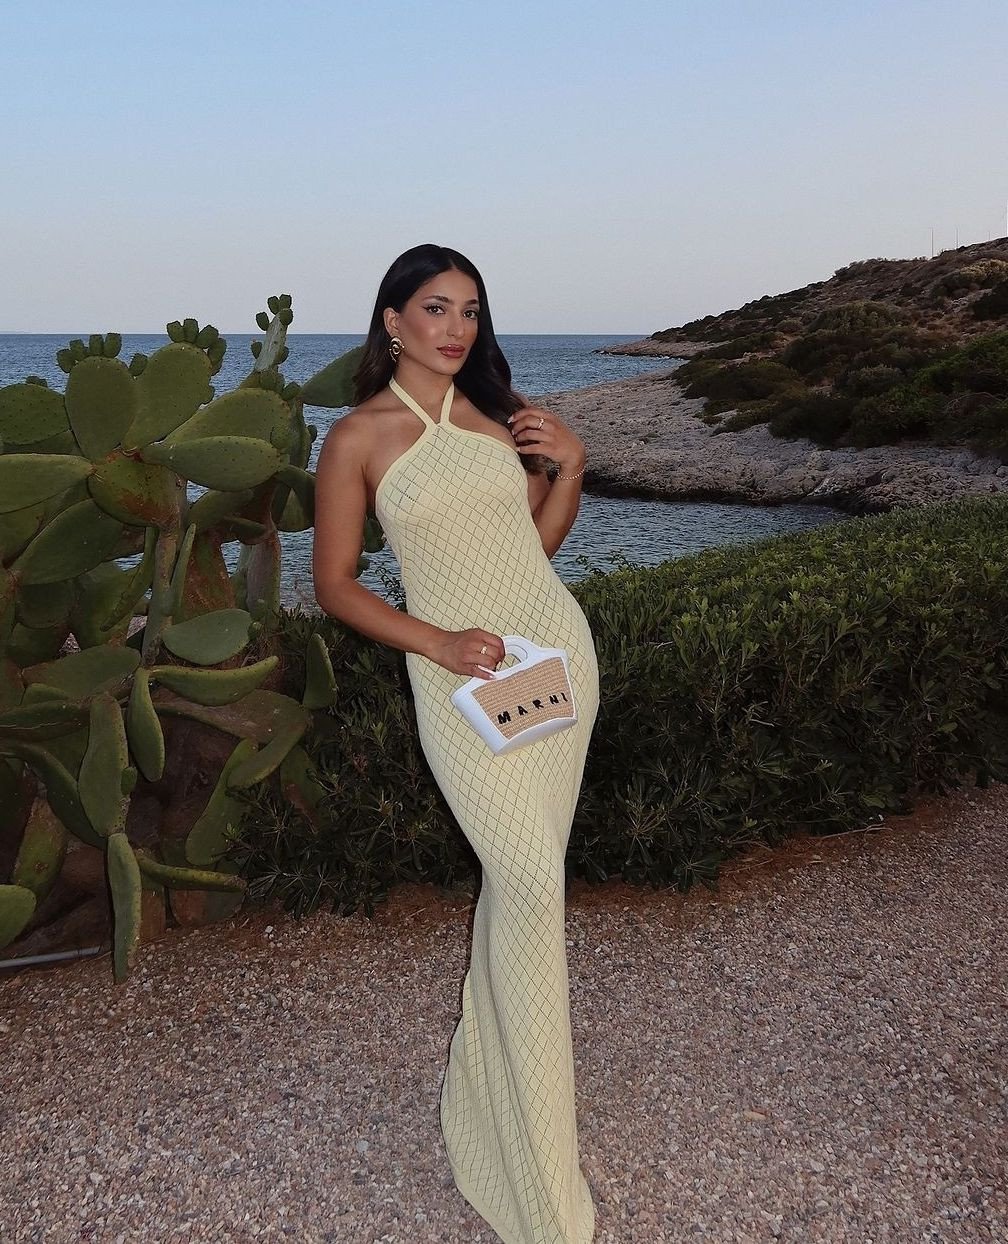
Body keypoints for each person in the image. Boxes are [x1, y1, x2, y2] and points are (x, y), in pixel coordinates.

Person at [313, 243, 599, 1244]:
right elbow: (335, 584)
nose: (456, 328)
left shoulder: (498, 420)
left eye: (470, 310)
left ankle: (508, 1109)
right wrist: (435, 641)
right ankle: (524, 1146)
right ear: (392, 320)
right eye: (435, 308)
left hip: (553, 658)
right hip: (454, 684)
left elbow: (534, 551)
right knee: (525, 878)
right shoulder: (358, 437)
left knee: (531, 884)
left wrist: (570, 468)